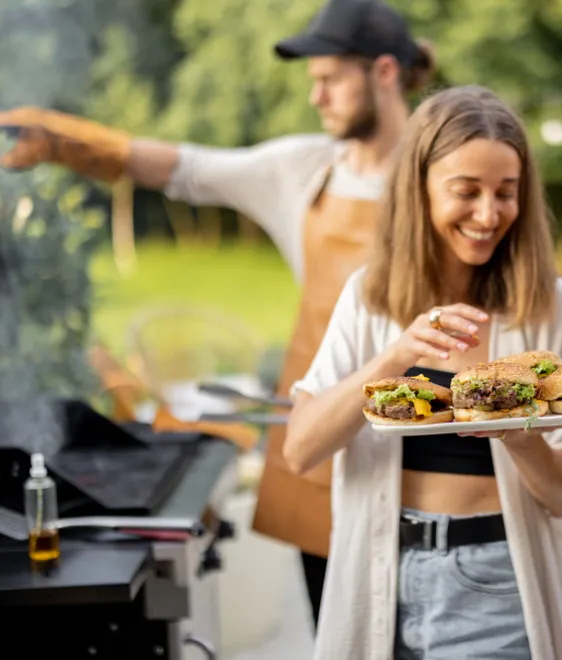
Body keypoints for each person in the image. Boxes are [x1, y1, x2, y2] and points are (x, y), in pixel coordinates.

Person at [0, 0, 436, 629]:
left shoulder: (444, 172)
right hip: (322, 434)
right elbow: (185, 169)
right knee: (340, 629)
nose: (316, 97)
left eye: (329, 78)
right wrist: (66, 142)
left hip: (425, 439)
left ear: (385, 72)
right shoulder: (304, 168)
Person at [283, 85, 562, 660]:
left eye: (506, 194)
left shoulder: (554, 309)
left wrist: (518, 435)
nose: (489, 215)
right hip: (379, 569)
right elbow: (300, 449)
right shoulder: (369, 300)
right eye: (466, 191)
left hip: (496, 578)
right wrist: (394, 358)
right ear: (418, 191)